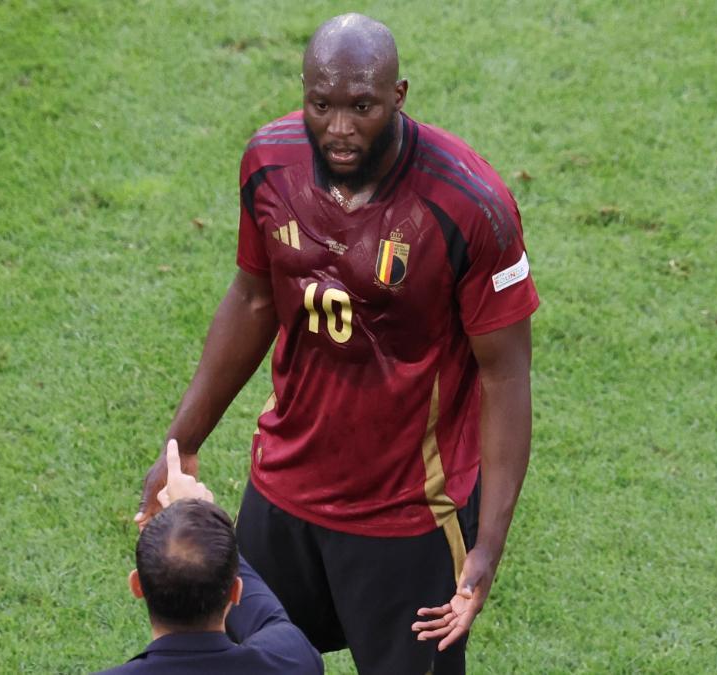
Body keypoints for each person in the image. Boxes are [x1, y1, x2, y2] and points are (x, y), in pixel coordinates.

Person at [135, 12, 539, 674]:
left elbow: (505, 376)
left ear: (399, 96)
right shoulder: (269, 164)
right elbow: (254, 298)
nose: (341, 128)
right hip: (283, 491)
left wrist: (486, 546)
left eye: (362, 106)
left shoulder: (470, 206)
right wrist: (181, 443)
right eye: (321, 105)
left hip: (406, 515)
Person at [99, 442, 323, 674]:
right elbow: (270, 621)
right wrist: (199, 518)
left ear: (137, 585)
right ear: (236, 590)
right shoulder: (291, 660)